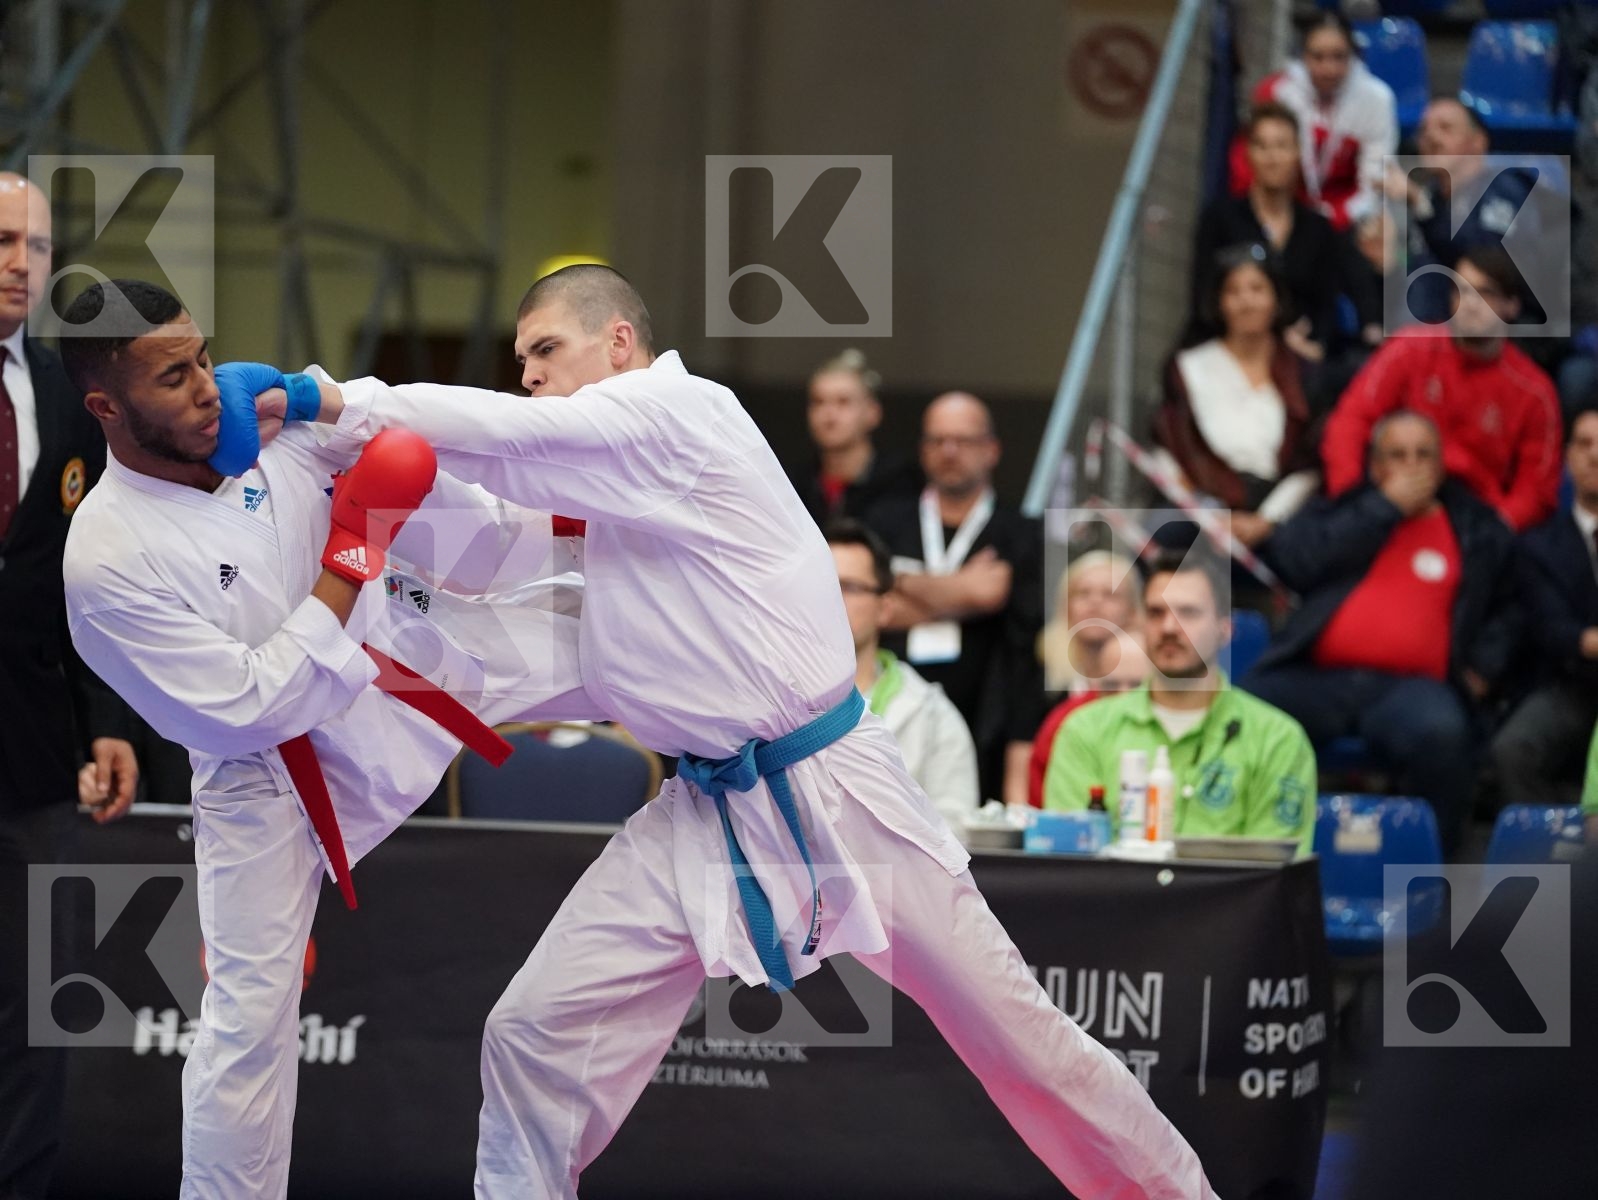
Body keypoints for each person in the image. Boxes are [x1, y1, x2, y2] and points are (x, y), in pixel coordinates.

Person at [228, 264, 1220, 1199]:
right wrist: (328, 474)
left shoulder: (682, 415)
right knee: (534, 1031)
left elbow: (505, 437)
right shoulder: (608, 503)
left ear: (619, 343)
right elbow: (487, 526)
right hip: (703, 813)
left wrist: (323, 398)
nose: (526, 372)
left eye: (546, 350)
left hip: (839, 791)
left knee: (1024, 1044)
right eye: (519, 359)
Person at [59, 279, 589, 1199]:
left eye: (203, 358)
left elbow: (402, 436)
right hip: (264, 778)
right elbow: (248, 707)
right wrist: (352, 551)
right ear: (106, 406)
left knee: (616, 635)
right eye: (172, 378)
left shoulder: (265, 427)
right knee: (246, 1025)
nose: (205, 388)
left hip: (401, 657)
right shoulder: (105, 560)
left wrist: (316, 395)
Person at [0, 173, 139, 1200]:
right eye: (3, 241)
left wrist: (108, 723)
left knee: (30, 1007)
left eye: (38, 247)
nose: (20, 262)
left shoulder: (67, 396)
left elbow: (89, 581)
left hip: (34, 747)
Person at [1244, 412, 1520, 854]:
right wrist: (1384, 507)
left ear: (1441, 467)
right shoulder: (1343, 510)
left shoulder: (1475, 529)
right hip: (1319, 680)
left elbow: (1514, 604)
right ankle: (1250, 860)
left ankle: (1431, 873)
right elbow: (1296, 561)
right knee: (1244, 710)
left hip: (1412, 689)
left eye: (1423, 455)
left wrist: (1484, 668)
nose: (1411, 466)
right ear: (1375, 467)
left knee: (1443, 734)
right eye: (1397, 455)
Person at [1042, 550, 1317, 853]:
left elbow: (1274, 873)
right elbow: (1069, 862)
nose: (1169, 627)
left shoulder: (1278, 740)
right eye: (1156, 612)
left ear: (1225, 629)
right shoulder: (1085, 731)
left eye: (1188, 612)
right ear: (1141, 624)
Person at [865, 391, 1044, 804]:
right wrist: (965, 592)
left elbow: (1018, 625)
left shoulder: (1021, 533)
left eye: (963, 440)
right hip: (888, 720)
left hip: (987, 728)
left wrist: (899, 585)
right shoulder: (883, 523)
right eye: (937, 440)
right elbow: (860, 609)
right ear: (922, 450)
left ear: (992, 450)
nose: (949, 451)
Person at [1320, 245, 1563, 533]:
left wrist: (1493, 532)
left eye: (1484, 293)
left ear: (1512, 305)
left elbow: (1536, 490)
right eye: (1462, 291)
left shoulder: (1535, 392)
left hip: (1474, 523)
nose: (1470, 304)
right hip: (1393, 505)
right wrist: (1351, 500)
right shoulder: (1410, 348)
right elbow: (1350, 421)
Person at [1155, 244, 1324, 550]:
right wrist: (1205, 513)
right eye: (1233, 291)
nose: (1246, 302)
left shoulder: (1303, 374)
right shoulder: (1188, 367)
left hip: (1279, 515)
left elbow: (1310, 463)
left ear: (1276, 298)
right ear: (1218, 302)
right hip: (1201, 510)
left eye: (1257, 289)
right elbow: (1168, 449)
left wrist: (1266, 520)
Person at [826, 518, 979, 829]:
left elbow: (955, 833)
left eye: (850, 587)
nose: (830, 599)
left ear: (885, 607)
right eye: (822, 584)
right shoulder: (767, 700)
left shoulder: (932, 715)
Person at [1194, 101, 1380, 355]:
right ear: (1248, 153)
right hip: (1230, 351)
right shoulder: (1219, 219)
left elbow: (1326, 306)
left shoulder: (1318, 229)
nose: (1272, 158)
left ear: (1298, 153)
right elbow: (1203, 298)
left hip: (1302, 356)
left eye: (1282, 146)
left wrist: (1312, 347)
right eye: (1262, 146)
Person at [1493, 408, 1598, 807]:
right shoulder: (1538, 545)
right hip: (1571, 685)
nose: (1595, 455)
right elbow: (1551, 629)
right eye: (1584, 444)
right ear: (1567, 457)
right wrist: (1583, 642)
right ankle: (1555, 843)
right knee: (1513, 749)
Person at [1232, 12, 1398, 233]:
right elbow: (1249, 164)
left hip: (1348, 221)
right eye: (1318, 57)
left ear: (1353, 55)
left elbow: (1373, 181)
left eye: (1339, 57)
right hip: (1283, 212)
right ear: (1303, 56)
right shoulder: (1277, 92)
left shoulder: (1376, 100)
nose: (1329, 69)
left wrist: (1335, 220)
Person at [784, 348, 920, 525]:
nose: (829, 414)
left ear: (873, 412)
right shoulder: (791, 485)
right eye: (818, 402)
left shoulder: (903, 484)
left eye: (843, 402)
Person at [1028, 635, 1150, 809]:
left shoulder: (1173, 724)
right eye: (1111, 686)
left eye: (1137, 686)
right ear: (1095, 683)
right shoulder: (1066, 722)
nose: (1124, 696)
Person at [1038, 549, 1144, 695]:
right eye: (1083, 593)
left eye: (1110, 594)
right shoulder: (1040, 679)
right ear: (1066, 608)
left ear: (1133, 611)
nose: (1095, 602)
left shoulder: (1154, 683)